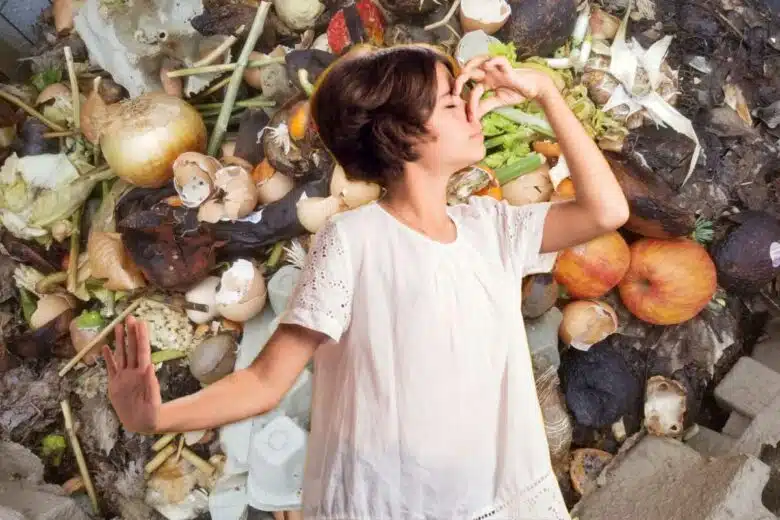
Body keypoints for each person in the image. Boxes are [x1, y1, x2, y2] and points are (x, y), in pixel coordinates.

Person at [103, 44, 629, 519]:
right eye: (451, 104)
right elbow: (267, 379)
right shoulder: (353, 240)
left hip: (499, 497)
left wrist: (546, 95)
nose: (473, 109)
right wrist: (156, 418)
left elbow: (606, 211)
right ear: (402, 136)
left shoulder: (489, 228)